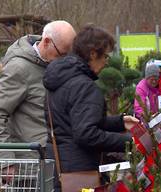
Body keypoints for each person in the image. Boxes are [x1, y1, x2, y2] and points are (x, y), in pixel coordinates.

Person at [43, 24, 139, 191]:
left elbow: (74, 120)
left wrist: (119, 123)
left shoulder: (61, 79)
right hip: (80, 172)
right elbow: (86, 134)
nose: (107, 62)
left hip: (59, 169)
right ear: (93, 53)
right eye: (106, 56)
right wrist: (130, 141)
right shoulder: (84, 86)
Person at [0, 20, 76, 164]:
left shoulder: (53, 64)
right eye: (61, 54)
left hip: (56, 158)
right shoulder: (19, 69)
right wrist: (6, 162)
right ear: (47, 42)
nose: (64, 60)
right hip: (31, 165)